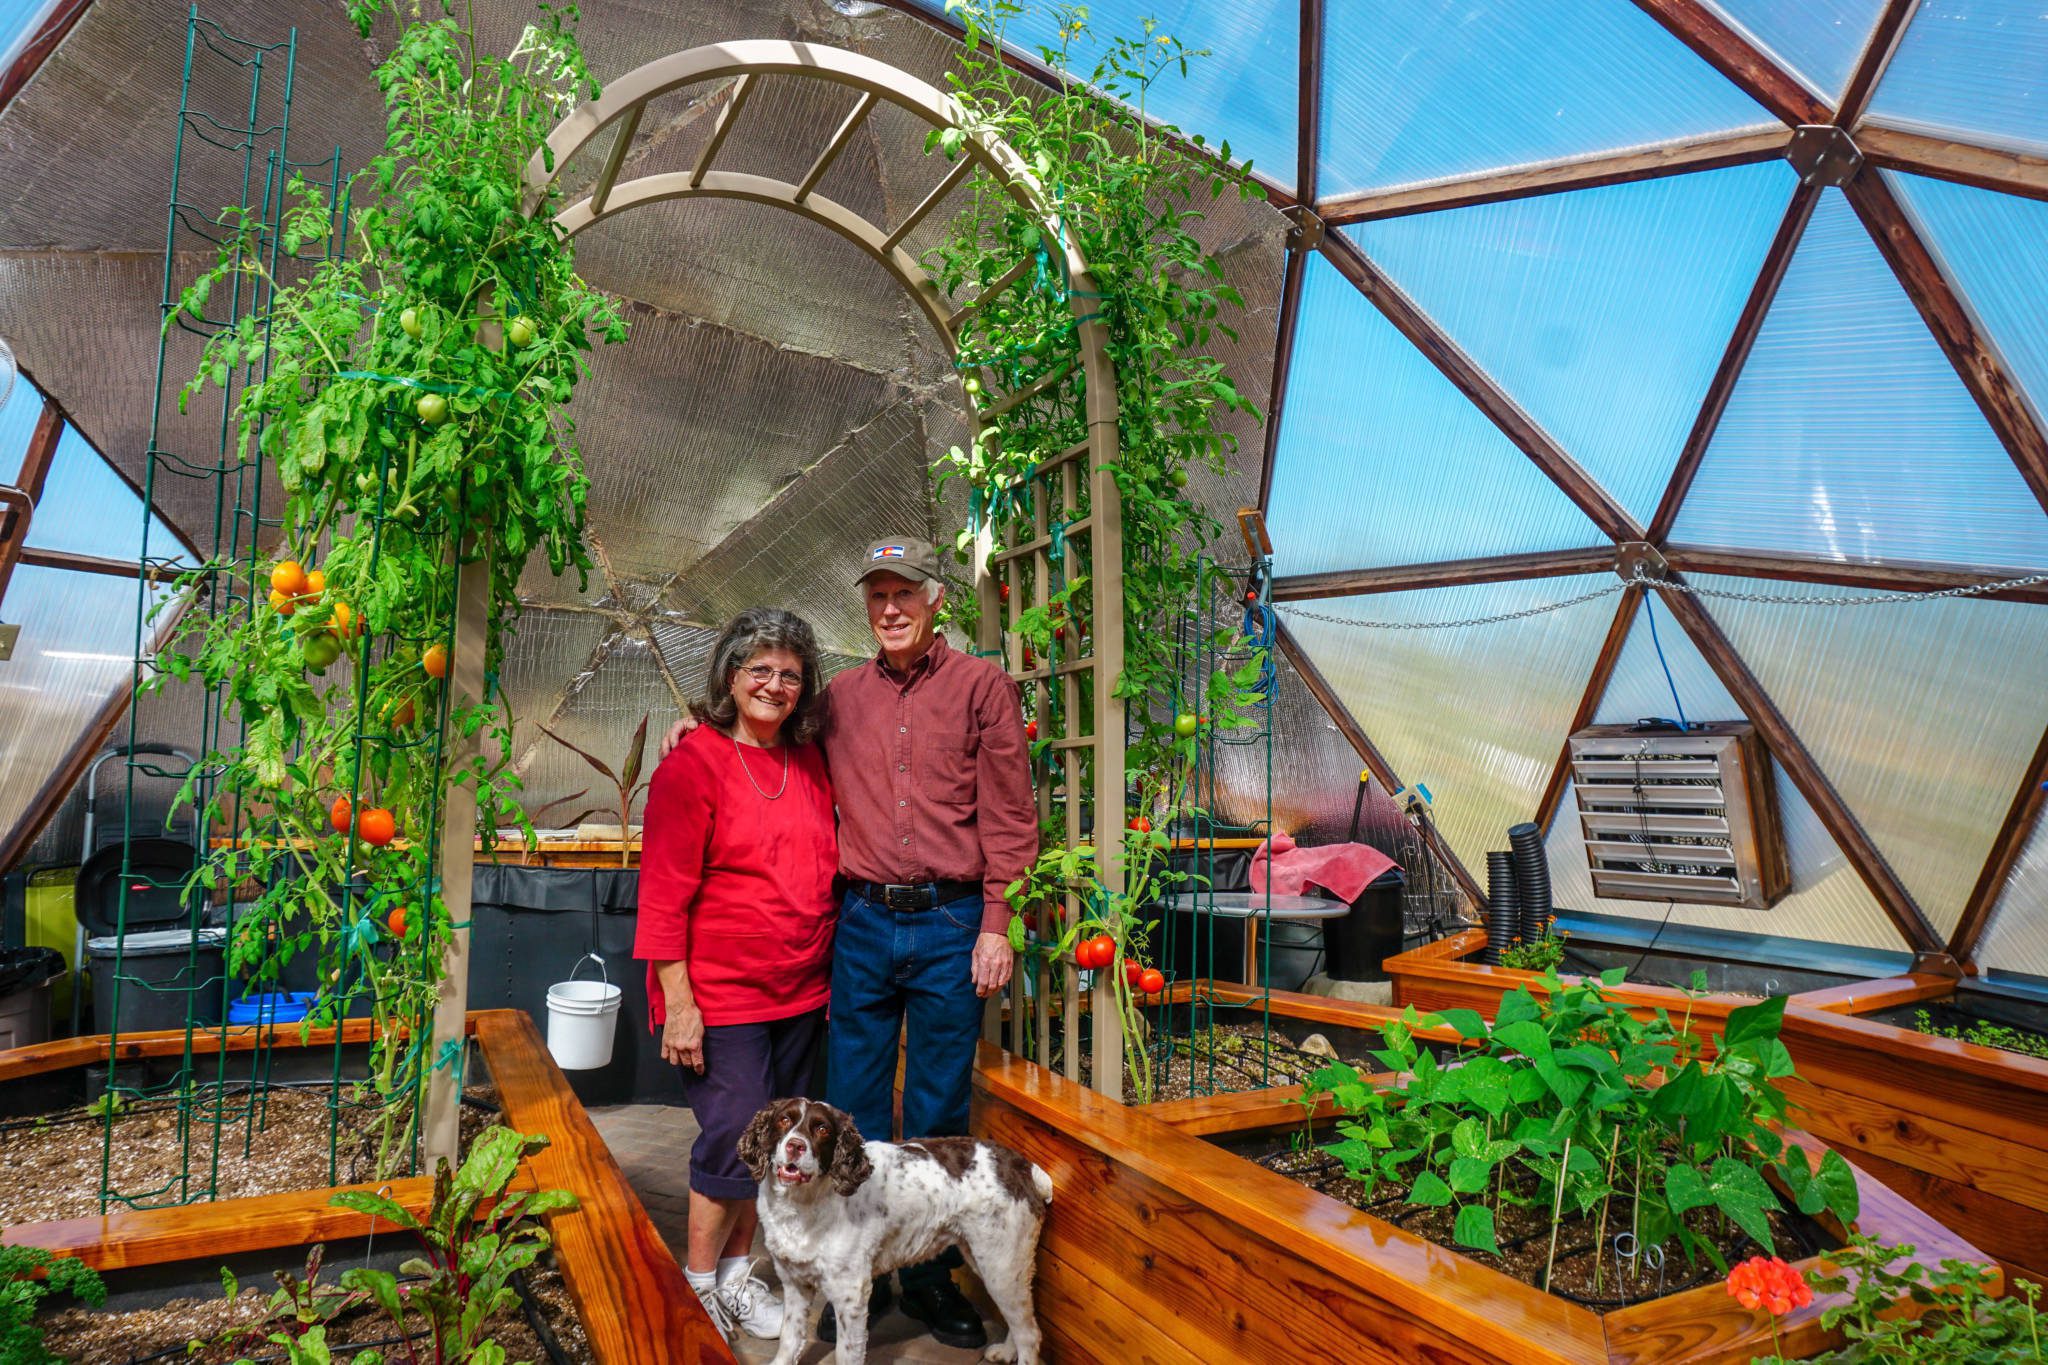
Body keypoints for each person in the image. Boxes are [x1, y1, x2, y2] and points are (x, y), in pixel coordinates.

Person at [662, 538, 1033, 1351]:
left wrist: (997, 921)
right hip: (860, 923)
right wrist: (702, 723)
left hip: (950, 920)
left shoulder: (982, 687)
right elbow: (761, 721)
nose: (892, 607)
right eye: (878, 594)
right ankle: (838, 1266)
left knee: (936, 1107)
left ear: (936, 601)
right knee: (847, 1111)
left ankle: (928, 1278)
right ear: (866, 606)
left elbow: (1010, 814)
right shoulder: (840, 700)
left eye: (906, 592)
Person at [635, 607, 838, 1345]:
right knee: (732, 1137)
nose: (775, 685)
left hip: (799, 991)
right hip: (719, 997)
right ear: (730, 675)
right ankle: (696, 1288)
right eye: (759, 670)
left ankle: (737, 1279)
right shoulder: (691, 764)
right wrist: (679, 1003)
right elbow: (661, 894)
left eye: (789, 674)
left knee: (770, 1142)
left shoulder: (811, 760)